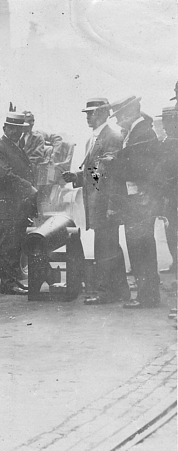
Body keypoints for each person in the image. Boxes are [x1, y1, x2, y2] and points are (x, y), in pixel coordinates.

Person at [62, 98, 129, 304]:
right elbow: (95, 171)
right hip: (99, 201)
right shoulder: (95, 138)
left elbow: (106, 171)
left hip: (106, 201)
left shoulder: (112, 136)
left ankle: (107, 292)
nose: (88, 117)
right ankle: (119, 291)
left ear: (102, 113)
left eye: (91, 113)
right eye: (86, 113)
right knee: (108, 245)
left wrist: (85, 176)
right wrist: (77, 177)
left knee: (105, 247)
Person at [109, 96, 163, 309]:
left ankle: (147, 296)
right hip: (138, 199)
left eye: (120, 115)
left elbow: (137, 168)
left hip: (139, 200)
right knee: (140, 246)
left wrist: (113, 162)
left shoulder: (141, 132)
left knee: (140, 247)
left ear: (131, 112)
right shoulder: (139, 131)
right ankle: (146, 294)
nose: (118, 120)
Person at [0, 112, 37, 295]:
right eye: (12, 128)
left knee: (14, 245)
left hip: (15, 208)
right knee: (6, 247)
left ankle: (14, 280)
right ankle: (8, 284)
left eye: (19, 129)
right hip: (4, 208)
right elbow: (5, 176)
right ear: (4, 128)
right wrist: (29, 188)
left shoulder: (14, 147)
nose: (17, 132)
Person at [157, 106, 177, 273]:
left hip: (172, 193)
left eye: (169, 121)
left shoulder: (171, 143)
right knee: (170, 229)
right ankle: (175, 263)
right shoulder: (166, 142)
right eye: (164, 121)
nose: (165, 125)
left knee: (172, 230)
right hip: (169, 194)